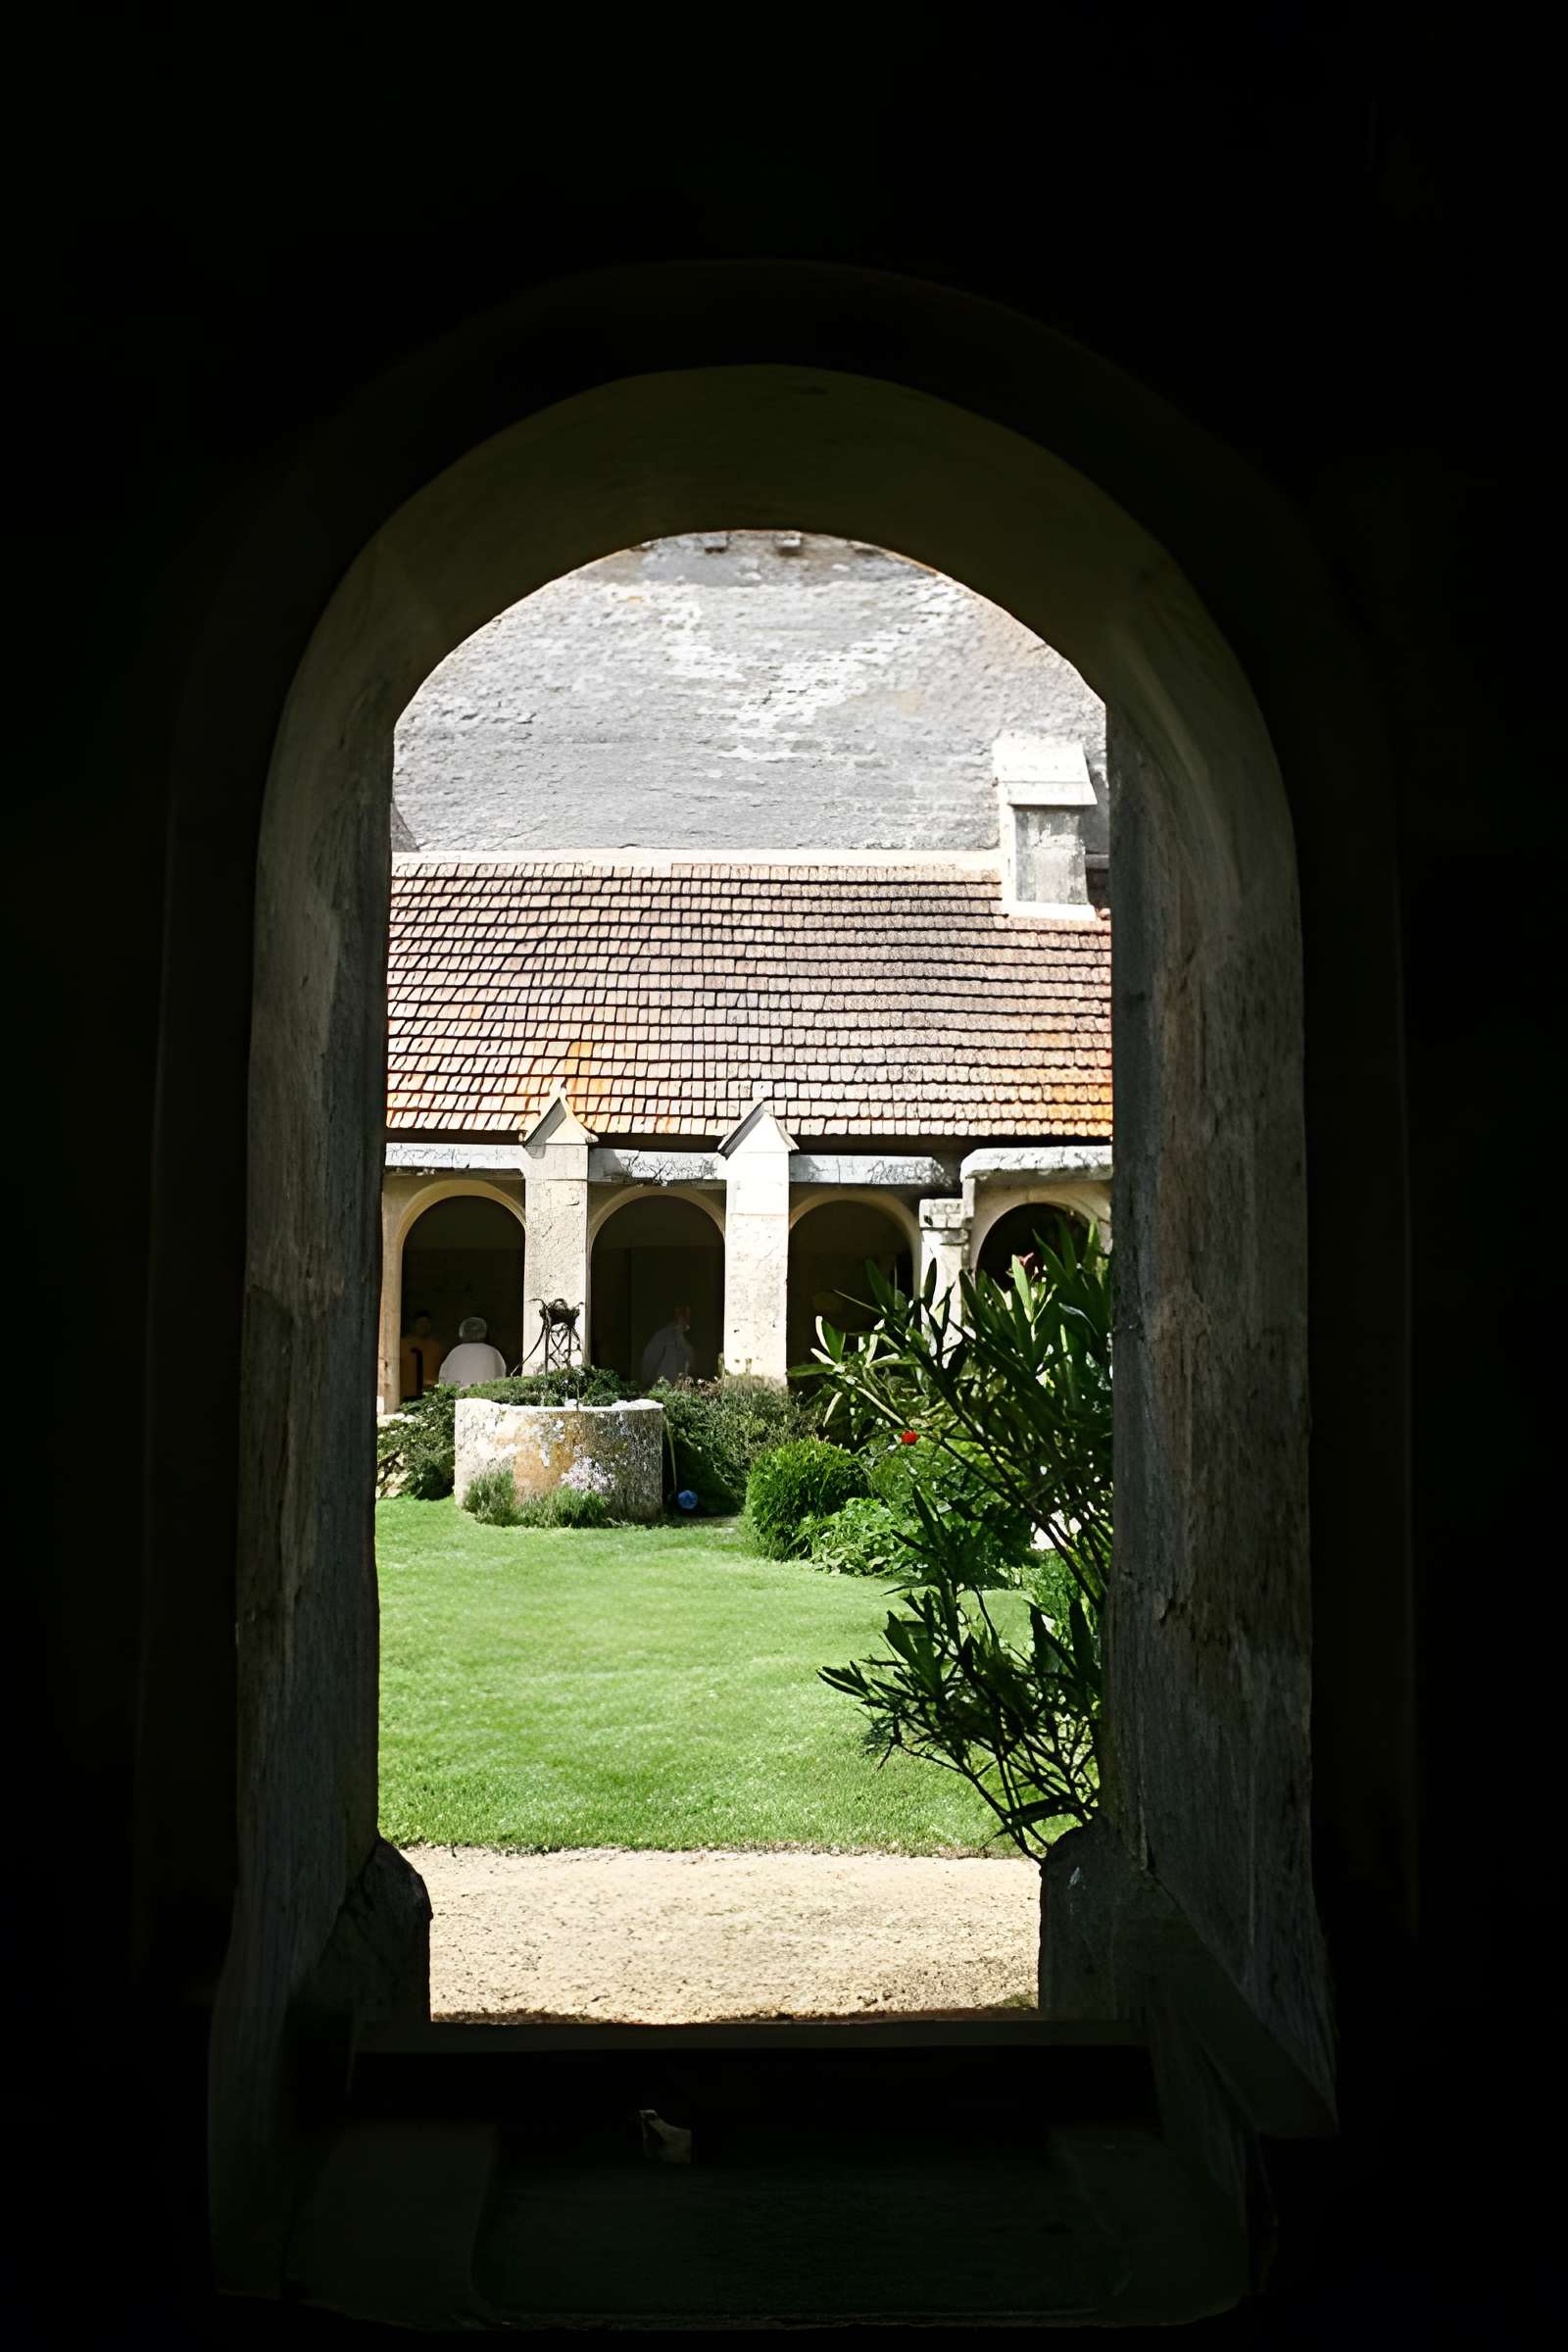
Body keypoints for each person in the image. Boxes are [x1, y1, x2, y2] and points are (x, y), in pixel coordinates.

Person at [437, 1314, 509, 1387]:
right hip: (486, 1397)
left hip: (459, 1397)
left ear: (462, 1334)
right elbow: (501, 1379)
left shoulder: (454, 1352)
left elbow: (442, 1381)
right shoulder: (493, 1352)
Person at [640, 1303, 695, 1386]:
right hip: (663, 1387)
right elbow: (649, 1360)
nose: (686, 1319)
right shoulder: (663, 1336)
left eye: (687, 1316)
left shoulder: (687, 1339)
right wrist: (647, 1383)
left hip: (681, 1388)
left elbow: (690, 1362)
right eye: (683, 1315)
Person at [399, 1309, 446, 1401]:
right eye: (420, 1322)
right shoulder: (402, 1345)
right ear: (413, 1325)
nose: (423, 1326)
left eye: (426, 1323)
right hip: (406, 1395)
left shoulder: (437, 1348)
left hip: (430, 1396)